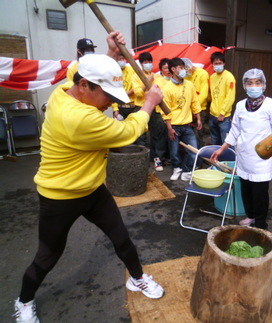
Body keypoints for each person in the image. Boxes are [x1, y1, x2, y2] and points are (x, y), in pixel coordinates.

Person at [13, 32, 165, 323]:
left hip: (93, 190)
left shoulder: (68, 86)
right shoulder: (79, 119)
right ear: (83, 86)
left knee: (122, 237)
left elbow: (91, 73)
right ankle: (24, 301)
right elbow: (128, 133)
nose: (109, 103)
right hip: (60, 197)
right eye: (107, 96)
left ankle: (137, 277)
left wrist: (110, 54)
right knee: (48, 255)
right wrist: (149, 104)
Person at [211, 68, 272, 230]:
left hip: (262, 157)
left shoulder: (271, 105)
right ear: (245, 86)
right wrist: (222, 149)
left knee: (259, 192)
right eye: (250, 83)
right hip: (243, 155)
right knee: (245, 188)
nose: (254, 86)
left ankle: (260, 224)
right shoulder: (240, 105)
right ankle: (251, 216)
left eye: (257, 83)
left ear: (264, 85)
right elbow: (235, 130)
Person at [161, 57, 202, 181]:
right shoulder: (167, 88)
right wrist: (169, 128)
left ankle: (187, 170)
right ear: (173, 69)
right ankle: (176, 168)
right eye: (181, 68)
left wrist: (198, 118)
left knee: (194, 151)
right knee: (174, 151)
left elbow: (195, 102)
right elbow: (166, 110)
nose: (184, 70)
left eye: (184, 67)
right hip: (174, 125)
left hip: (188, 124)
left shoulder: (189, 84)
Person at [132, 52, 168, 170]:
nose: (148, 64)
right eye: (145, 62)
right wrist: (146, 82)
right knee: (141, 135)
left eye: (149, 62)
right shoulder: (136, 76)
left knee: (157, 135)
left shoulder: (157, 76)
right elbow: (138, 93)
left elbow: (163, 90)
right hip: (141, 108)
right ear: (141, 64)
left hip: (155, 108)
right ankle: (142, 161)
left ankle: (158, 160)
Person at [208, 51, 236, 145]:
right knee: (215, 141)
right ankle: (216, 159)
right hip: (213, 114)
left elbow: (230, 97)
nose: (218, 65)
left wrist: (223, 113)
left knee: (226, 142)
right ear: (212, 64)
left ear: (224, 63)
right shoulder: (212, 77)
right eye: (216, 63)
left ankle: (229, 160)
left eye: (220, 63)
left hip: (224, 116)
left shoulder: (229, 77)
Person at [182, 57, 210, 149]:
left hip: (200, 110)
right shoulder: (186, 76)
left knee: (198, 135)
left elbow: (203, 95)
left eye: (185, 69)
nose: (185, 72)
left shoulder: (203, 74)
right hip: (188, 110)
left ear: (189, 66)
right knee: (188, 137)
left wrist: (195, 110)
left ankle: (199, 160)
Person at [112, 53, 138, 120]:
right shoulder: (114, 72)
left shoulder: (132, 70)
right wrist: (115, 109)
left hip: (133, 107)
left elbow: (136, 87)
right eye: (120, 59)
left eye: (123, 59)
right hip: (120, 108)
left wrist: (125, 95)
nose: (122, 61)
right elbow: (112, 92)